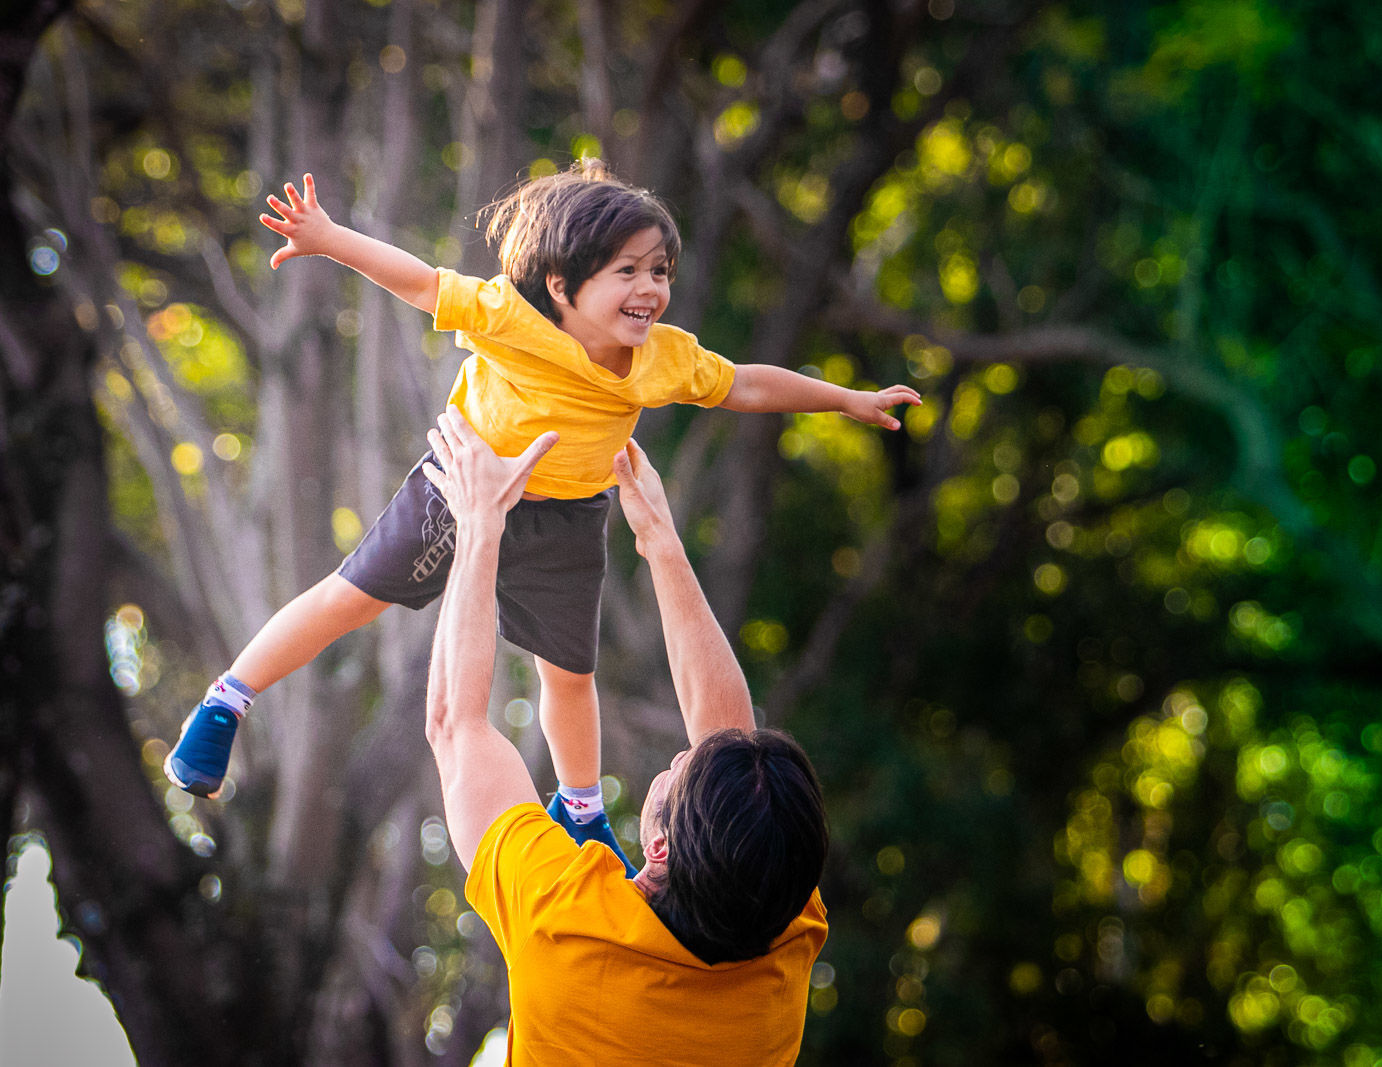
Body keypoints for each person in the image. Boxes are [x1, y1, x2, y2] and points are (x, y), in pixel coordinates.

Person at [164, 161, 918, 870]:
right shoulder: (511, 318)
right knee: (348, 598)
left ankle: (580, 808)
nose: (649, 289)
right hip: (462, 487)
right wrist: (327, 239)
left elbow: (745, 386)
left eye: (659, 271)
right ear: (561, 286)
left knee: (569, 673)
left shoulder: (661, 357)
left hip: (565, 517)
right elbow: (423, 283)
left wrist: (845, 398)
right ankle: (228, 699)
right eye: (626, 271)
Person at [423, 407, 828, 1063]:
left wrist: (478, 525)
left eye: (679, 772)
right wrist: (660, 541)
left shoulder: (568, 926)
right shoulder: (779, 926)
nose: (680, 752)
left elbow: (454, 723)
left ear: (660, 843)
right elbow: (733, 748)